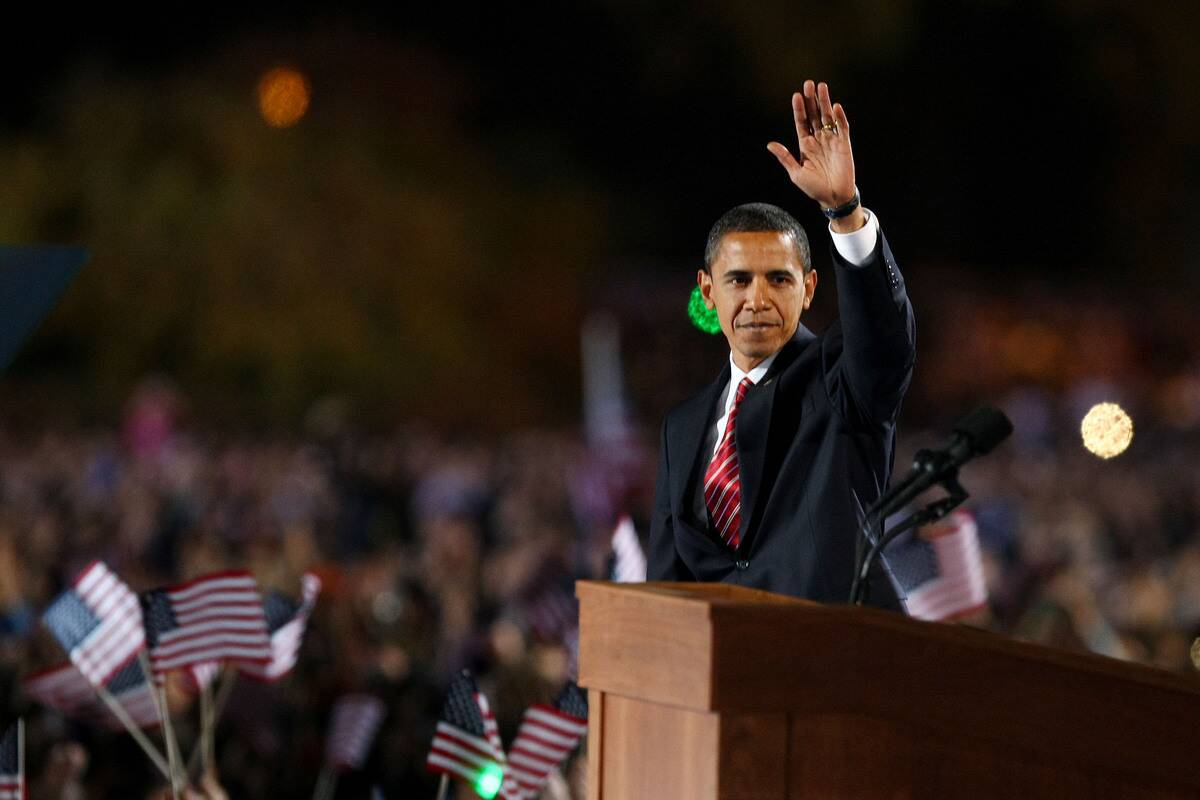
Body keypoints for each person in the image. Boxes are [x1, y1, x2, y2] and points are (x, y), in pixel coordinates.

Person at [647, 80, 915, 608]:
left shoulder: (842, 381)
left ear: (809, 289)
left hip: (833, 665)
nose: (758, 298)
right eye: (739, 279)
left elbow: (885, 340)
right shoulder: (681, 427)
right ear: (708, 290)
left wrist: (846, 213)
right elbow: (665, 586)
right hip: (721, 675)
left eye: (779, 279)